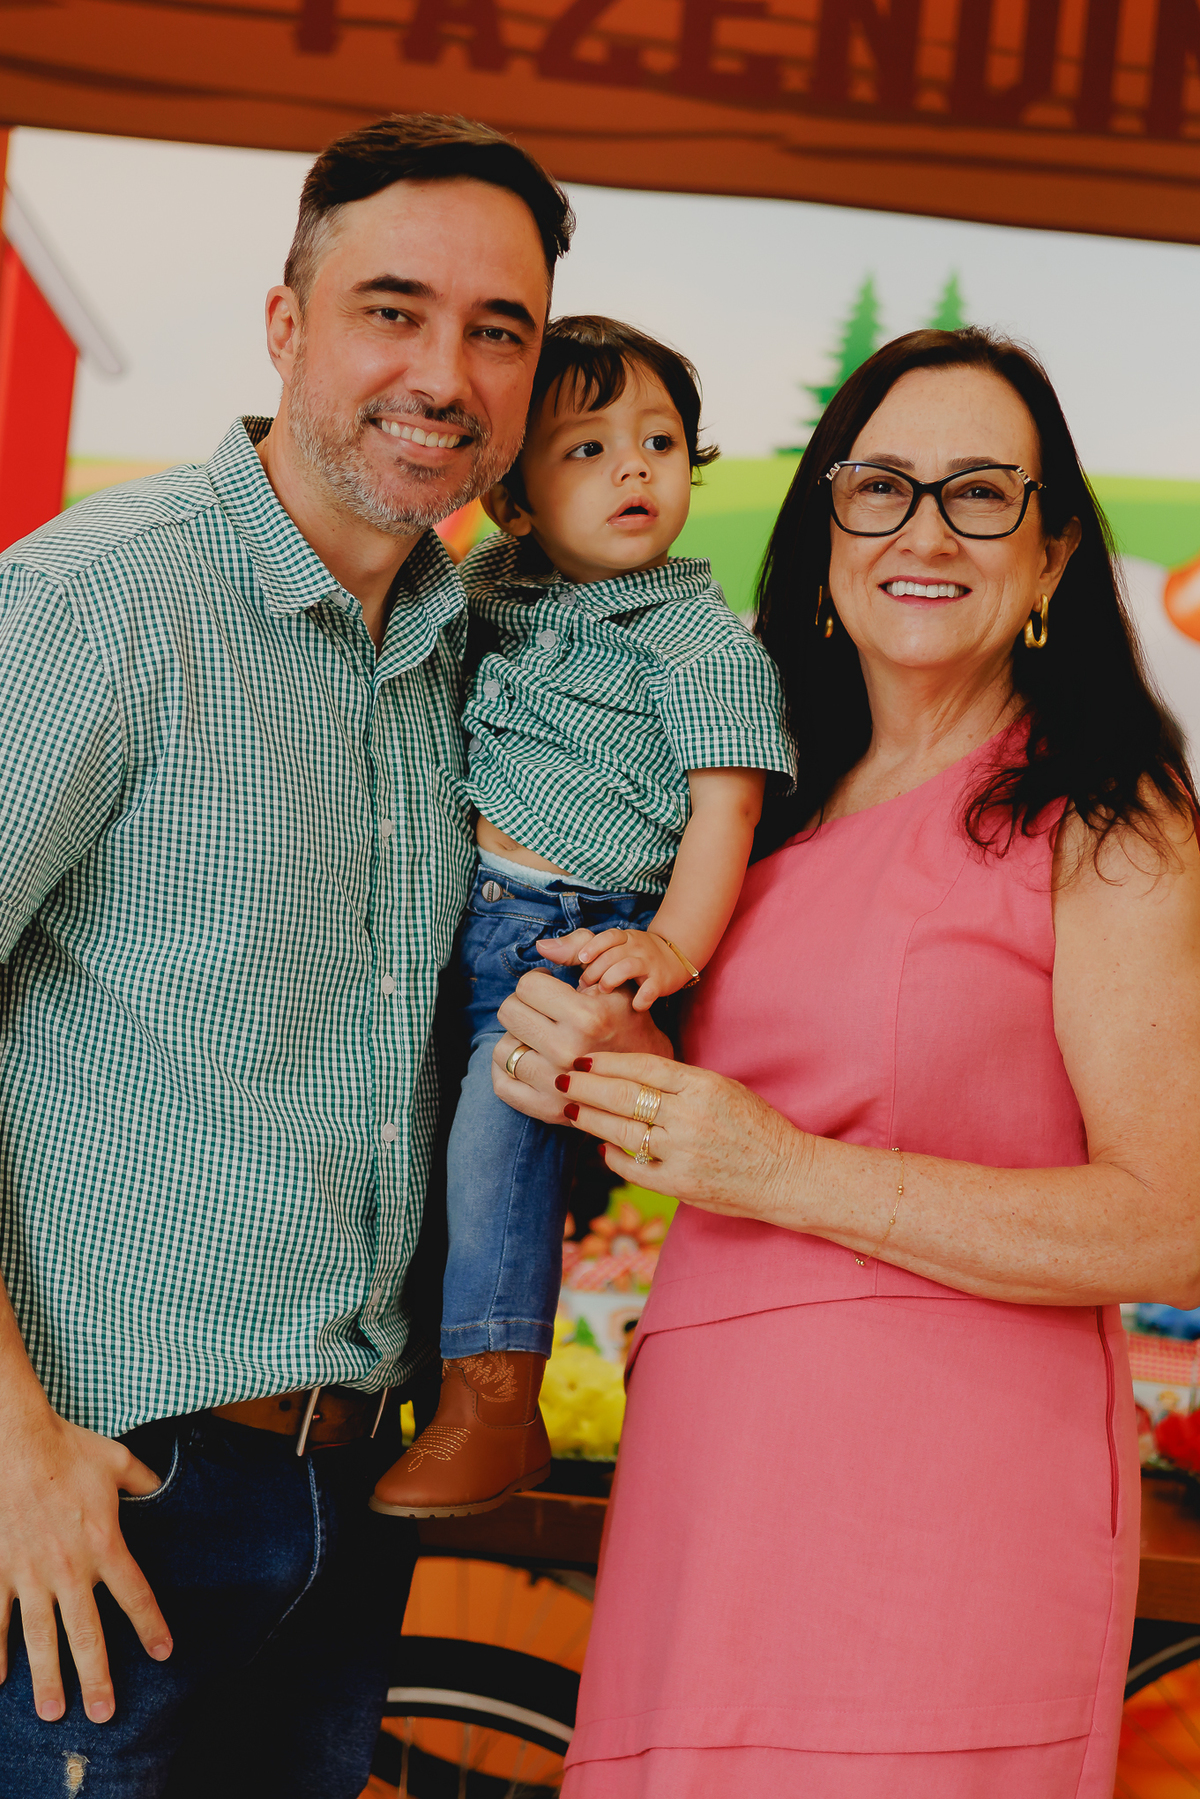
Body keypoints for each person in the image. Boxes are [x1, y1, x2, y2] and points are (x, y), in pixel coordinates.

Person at [490, 327, 1200, 1797]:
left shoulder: (1106, 820)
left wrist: (780, 1169)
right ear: (827, 527)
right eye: (881, 486)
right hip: (709, 1474)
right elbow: (724, 1113)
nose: (923, 531)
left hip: (944, 1513)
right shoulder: (766, 811)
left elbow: (1172, 1219)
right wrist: (613, 1055)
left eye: (981, 492)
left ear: (1054, 555)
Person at [0, 113, 572, 1796]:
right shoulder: (101, 602)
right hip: (96, 1485)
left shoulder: (476, 658)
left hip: (344, 1490)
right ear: (285, 323)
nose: (444, 374)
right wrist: (11, 1444)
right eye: (394, 309)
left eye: (498, 330)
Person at [370, 315, 792, 1519]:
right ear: (514, 499)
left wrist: (671, 945)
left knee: (500, 1150)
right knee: (419, 1147)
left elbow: (725, 810)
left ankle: (497, 1404)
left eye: (659, 443)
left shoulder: (699, 643)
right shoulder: (495, 585)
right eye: (589, 449)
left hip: (571, 933)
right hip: (462, 915)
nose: (634, 470)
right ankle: (413, 1377)